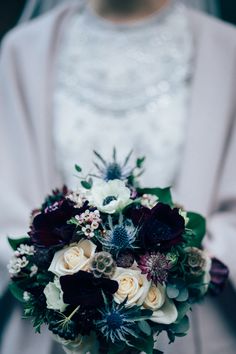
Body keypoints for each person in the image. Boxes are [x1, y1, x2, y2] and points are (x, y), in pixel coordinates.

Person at [0, 0, 236, 353]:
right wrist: (69, 272)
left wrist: (177, 268)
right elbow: (8, 194)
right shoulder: (24, 50)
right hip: (57, 326)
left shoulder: (226, 49)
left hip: (192, 323)